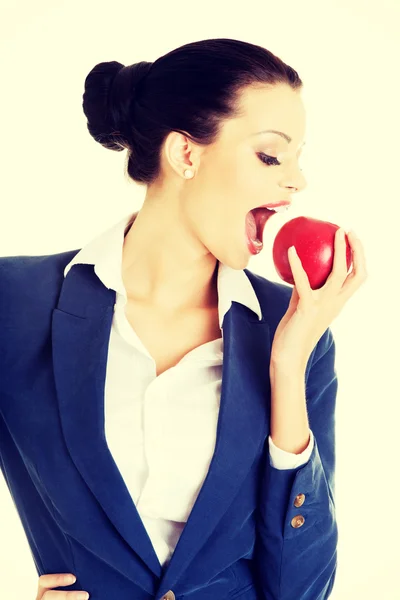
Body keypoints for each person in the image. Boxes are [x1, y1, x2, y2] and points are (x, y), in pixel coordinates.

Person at [0, 37, 367, 600]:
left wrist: (288, 365)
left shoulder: (292, 331)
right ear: (186, 154)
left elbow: (301, 588)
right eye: (271, 155)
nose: (298, 183)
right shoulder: (15, 301)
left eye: (298, 160)